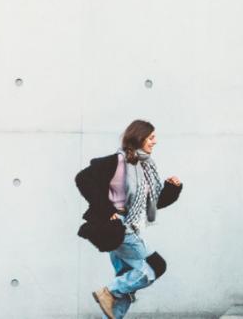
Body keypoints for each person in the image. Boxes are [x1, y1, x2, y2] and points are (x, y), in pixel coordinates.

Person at [75, 120, 183, 319]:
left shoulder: (145, 167)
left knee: (126, 277)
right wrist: (107, 210)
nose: (155, 142)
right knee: (155, 267)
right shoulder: (116, 161)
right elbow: (82, 179)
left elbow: (154, 202)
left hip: (129, 224)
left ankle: (114, 306)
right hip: (117, 226)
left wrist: (172, 188)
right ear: (139, 138)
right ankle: (110, 291)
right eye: (151, 138)